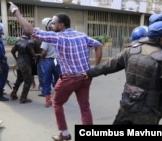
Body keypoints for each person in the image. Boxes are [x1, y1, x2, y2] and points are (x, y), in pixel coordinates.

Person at [9, 2, 102, 140]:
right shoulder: (81, 35)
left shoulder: (58, 37)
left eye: (53, 24)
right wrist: (95, 68)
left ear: (61, 25)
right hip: (86, 77)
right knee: (85, 107)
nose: (51, 26)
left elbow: (30, 30)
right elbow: (98, 45)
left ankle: (64, 134)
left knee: (57, 103)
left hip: (69, 79)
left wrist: (16, 11)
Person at [87, 20, 162, 124]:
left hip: (126, 106)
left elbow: (109, 65)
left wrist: (89, 73)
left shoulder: (130, 51)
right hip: (148, 113)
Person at [39, 17, 61, 107]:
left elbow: (44, 52)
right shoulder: (60, 36)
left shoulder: (47, 37)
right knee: (57, 81)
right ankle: (57, 100)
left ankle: (48, 101)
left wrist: (42, 56)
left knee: (47, 81)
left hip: (48, 61)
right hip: (57, 61)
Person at [10, 30, 37, 103]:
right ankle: (23, 98)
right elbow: (33, 54)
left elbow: (12, 51)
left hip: (19, 63)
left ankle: (13, 93)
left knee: (19, 79)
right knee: (28, 81)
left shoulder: (18, 40)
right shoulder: (29, 42)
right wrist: (41, 55)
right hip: (26, 64)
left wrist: (16, 59)